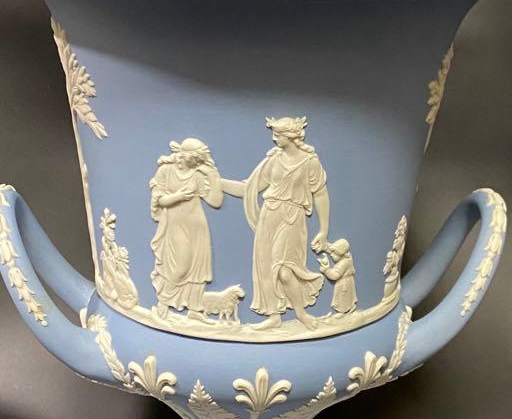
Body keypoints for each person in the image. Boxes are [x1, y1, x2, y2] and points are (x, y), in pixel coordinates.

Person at [219, 117, 329, 330]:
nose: (274, 138)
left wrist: (323, 230)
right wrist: (218, 183)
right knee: (266, 267)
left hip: (292, 217)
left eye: (278, 135)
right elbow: (248, 189)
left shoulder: (310, 162)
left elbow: (321, 194)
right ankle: (274, 316)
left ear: (291, 136)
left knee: (285, 271)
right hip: (269, 216)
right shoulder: (273, 160)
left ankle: (301, 313)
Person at [148, 138, 222, 320]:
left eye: (197, 160)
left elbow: (215, 201)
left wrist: (212, 177)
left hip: (197, 226)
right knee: (179, 266)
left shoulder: (197, 175)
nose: (196, 162)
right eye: (193, 158)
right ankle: (164, 301)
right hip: (175, 225)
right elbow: (159, 200)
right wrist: (178, 196)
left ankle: (195, 310)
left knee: (198, 268)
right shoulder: (166, 171)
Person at [319, 238, 357, 316]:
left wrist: (326, 270)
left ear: (341, 253)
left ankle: (343, 311)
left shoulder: (343, 263)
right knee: (346, 296)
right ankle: (350, 307)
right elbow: (333, 250)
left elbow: (334, 276)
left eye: (334, 253)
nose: (331, 255)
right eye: (332, 252)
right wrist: (325, 246)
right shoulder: (347, 258)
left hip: (344, 284)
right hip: (347, 282)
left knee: (343, 297)